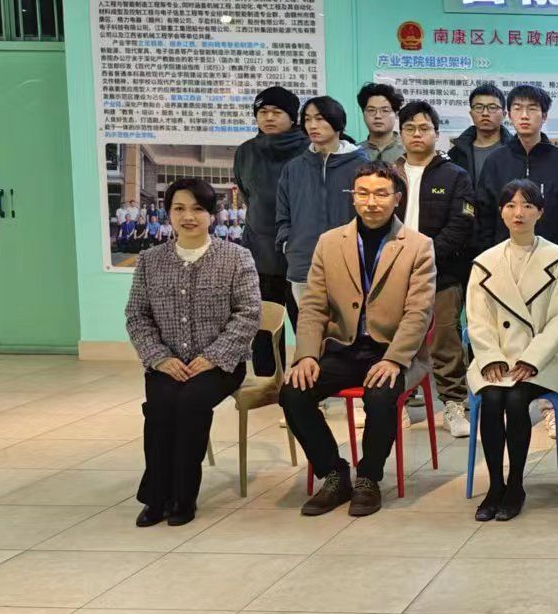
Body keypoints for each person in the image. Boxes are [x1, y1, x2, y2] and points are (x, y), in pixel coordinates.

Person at [282, 162, 435, 518]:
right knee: (293, 392)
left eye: (381, 194)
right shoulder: (330, 242)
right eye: (363, 193)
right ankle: (334, 474)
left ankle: (368, 477)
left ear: (396, 199)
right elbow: (313, 306)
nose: (371, 202)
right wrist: (306, 355)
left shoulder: (418, 246)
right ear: (353, 197)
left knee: (381, 395)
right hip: (343, 348)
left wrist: (394, 359)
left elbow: (419, 312)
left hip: (391, 351)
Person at [124, 177, 261, 526]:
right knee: (160, 406)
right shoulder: (150, 260)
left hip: (221, 365)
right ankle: (156, 498)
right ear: (168, 213)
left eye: (198, 209)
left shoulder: (236, 257)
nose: (188, 216)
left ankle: (183, 497)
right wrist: (160, 357)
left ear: (212, 214)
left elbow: (248, 314)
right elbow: (137, 315)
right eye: (179, 208)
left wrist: (213, 357)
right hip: (166, 363)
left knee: (189, 403)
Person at [466, 178, 558, 522]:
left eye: (528, 206)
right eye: (511, 205)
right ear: (501, 212)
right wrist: (490, 357)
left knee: (515, 400)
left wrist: (531, 359)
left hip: (545, 358)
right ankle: (494, 485)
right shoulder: (484, 262)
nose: (519, 213)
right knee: (492, 398)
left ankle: (515, 484)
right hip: (495, 357)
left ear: (540, 212)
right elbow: (477, 319)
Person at [397, 100, 476, 439]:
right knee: (397, 339)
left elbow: (462, 224)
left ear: (436, 133)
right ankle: (397, 402)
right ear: (401, 134)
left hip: (442, 272)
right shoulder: (387, 173)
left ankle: (453, 404)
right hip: (394, 274)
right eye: (410, 128)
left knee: (446, 339)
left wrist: (425, 256)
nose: (417, 134)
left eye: (424, 128)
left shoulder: (455, 175)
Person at [474, 83, 558, 261]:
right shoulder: (495, 161)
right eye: (518, 108)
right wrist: (489, 260)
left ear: (544, 116)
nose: (524, 115)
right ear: (509, 115)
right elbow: (484, 216)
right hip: (503, 261)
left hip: (553, 261)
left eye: (532, 108)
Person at [274, 95, 365, 302]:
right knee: (308, 322)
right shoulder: (294, 168)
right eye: (307, 119)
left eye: (320, 118)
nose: (312, 125)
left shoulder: (361, 166)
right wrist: (288, 242)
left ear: (337, 121)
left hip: (351, 266)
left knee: (349, 323)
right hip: (303, 265)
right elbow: (283, 214)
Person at [448, 82, 514, 189]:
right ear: (471, 114)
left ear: (504, 114)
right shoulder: (456, 154)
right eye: (479, 107)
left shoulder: (516, 150)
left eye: (492, 107)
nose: (485, 113)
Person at [356, 81, 405, 163]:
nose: (377, 116)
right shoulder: (354, 153)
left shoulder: (408, 150)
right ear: (363, 114)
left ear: (396, 114)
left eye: (385, 110)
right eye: (371, 110)